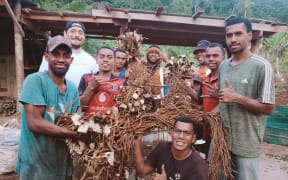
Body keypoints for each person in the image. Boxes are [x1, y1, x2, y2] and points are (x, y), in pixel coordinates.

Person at [16, 35, 82, 180]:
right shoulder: (35, 81)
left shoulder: (72, 88)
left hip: (62, 165)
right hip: (36, 166)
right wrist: (73, 134)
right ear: (46, 56)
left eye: (66, 55)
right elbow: (35, 123)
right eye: (55, 54)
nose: (61, 59)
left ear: (71, 60)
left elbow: (78, 120)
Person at [218, 16, 275, 180]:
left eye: (238, 34)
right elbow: (223, 99)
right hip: (222, 142)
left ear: (249, 36)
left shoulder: (262, 66)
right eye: (229, 35)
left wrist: (237, 98)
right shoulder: (223, 66)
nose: (233, 39)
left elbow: (268, 108)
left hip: (247, 143)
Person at [134, 116, 209, 180]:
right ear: (172, 133)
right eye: (178, 131)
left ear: (193, 138)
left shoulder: (199, 166)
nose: (181, 136)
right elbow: (142, 172)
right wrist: (136, 144)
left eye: (187, 133)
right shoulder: (162, 148)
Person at [39, 21, 98, 87]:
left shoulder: (90, 60)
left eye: (80, 32)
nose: (77, 35)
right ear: (65, 33)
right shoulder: (51, 56)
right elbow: (41, 80)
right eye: (73, 31)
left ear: (84, 36)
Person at [198, 43, 226, 159]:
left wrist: (208, 116)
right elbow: (202, 103)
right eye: (208, 56)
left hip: (223, 134)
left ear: (223, 57)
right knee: (209, 164)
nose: (211, 59)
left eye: (215, 56)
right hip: (208, 132)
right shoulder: (205, 81)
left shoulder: (226, 78)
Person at [78, 47, 125, 114]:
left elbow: (123, 110)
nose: (105, 60)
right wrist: (91, 87)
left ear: (114, 61)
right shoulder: (86, 78)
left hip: (112, 123)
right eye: (102, 57)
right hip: (88, 123)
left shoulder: (122, 82)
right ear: (96, 60)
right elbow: (79, 108)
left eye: (109, 57)